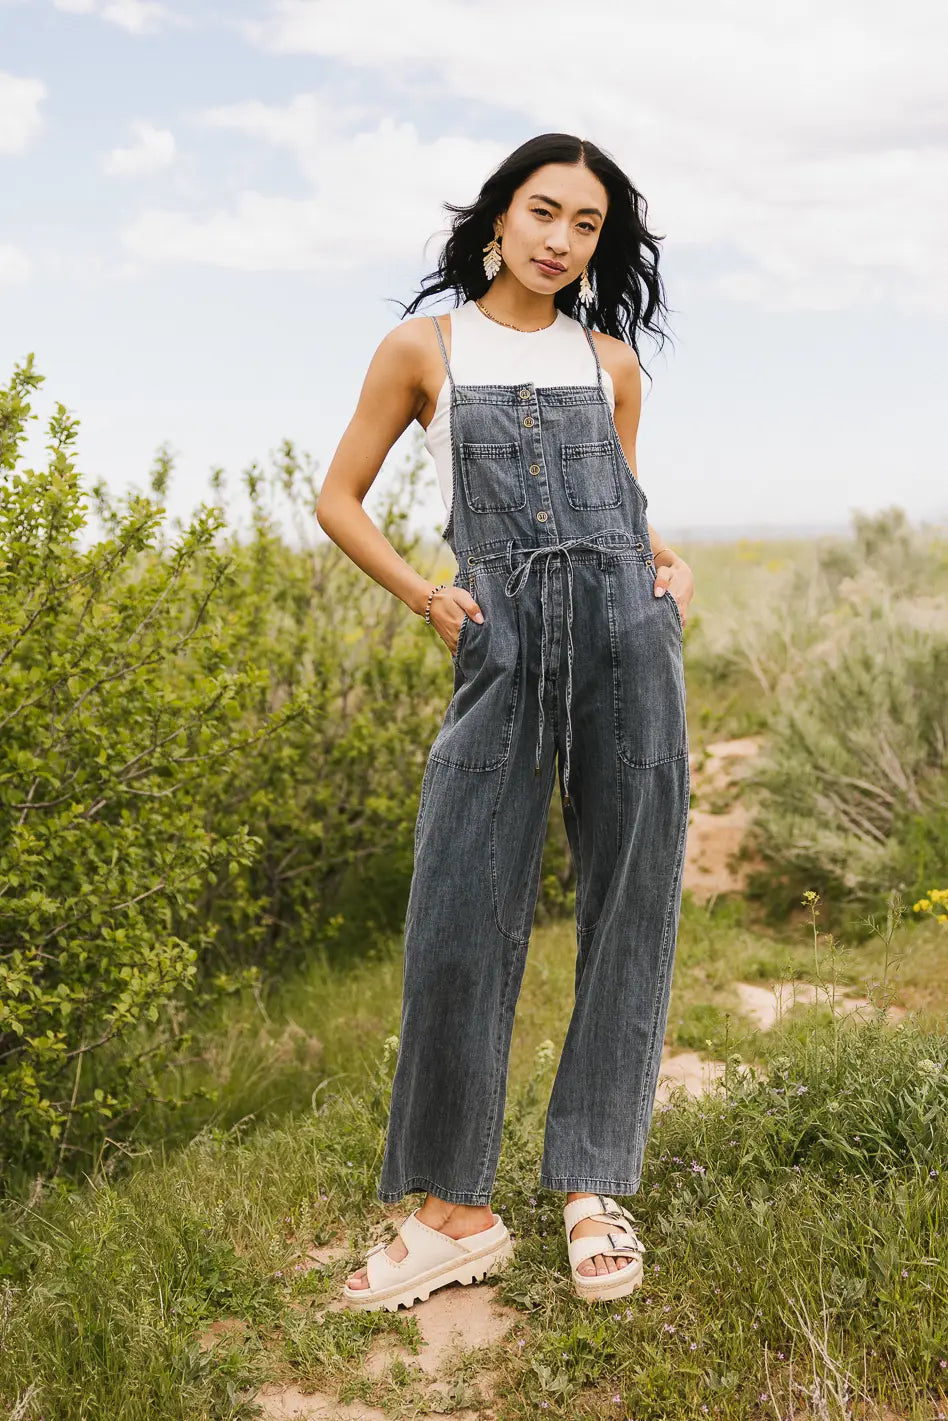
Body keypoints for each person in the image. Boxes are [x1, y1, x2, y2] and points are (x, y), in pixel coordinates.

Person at [316, 132, 695, 1309]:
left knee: (629, 905)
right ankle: (454, 1210)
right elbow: (339, 496)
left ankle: (591, 1181)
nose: (560, 240)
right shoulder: (419, 348)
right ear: (498, 217)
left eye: (586, 226)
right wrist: (430, 595)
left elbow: (628, 508)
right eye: (543, 211)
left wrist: (663, 561)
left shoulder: (610, 361)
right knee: (457, 915)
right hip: (501, 641)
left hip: (628, 644)